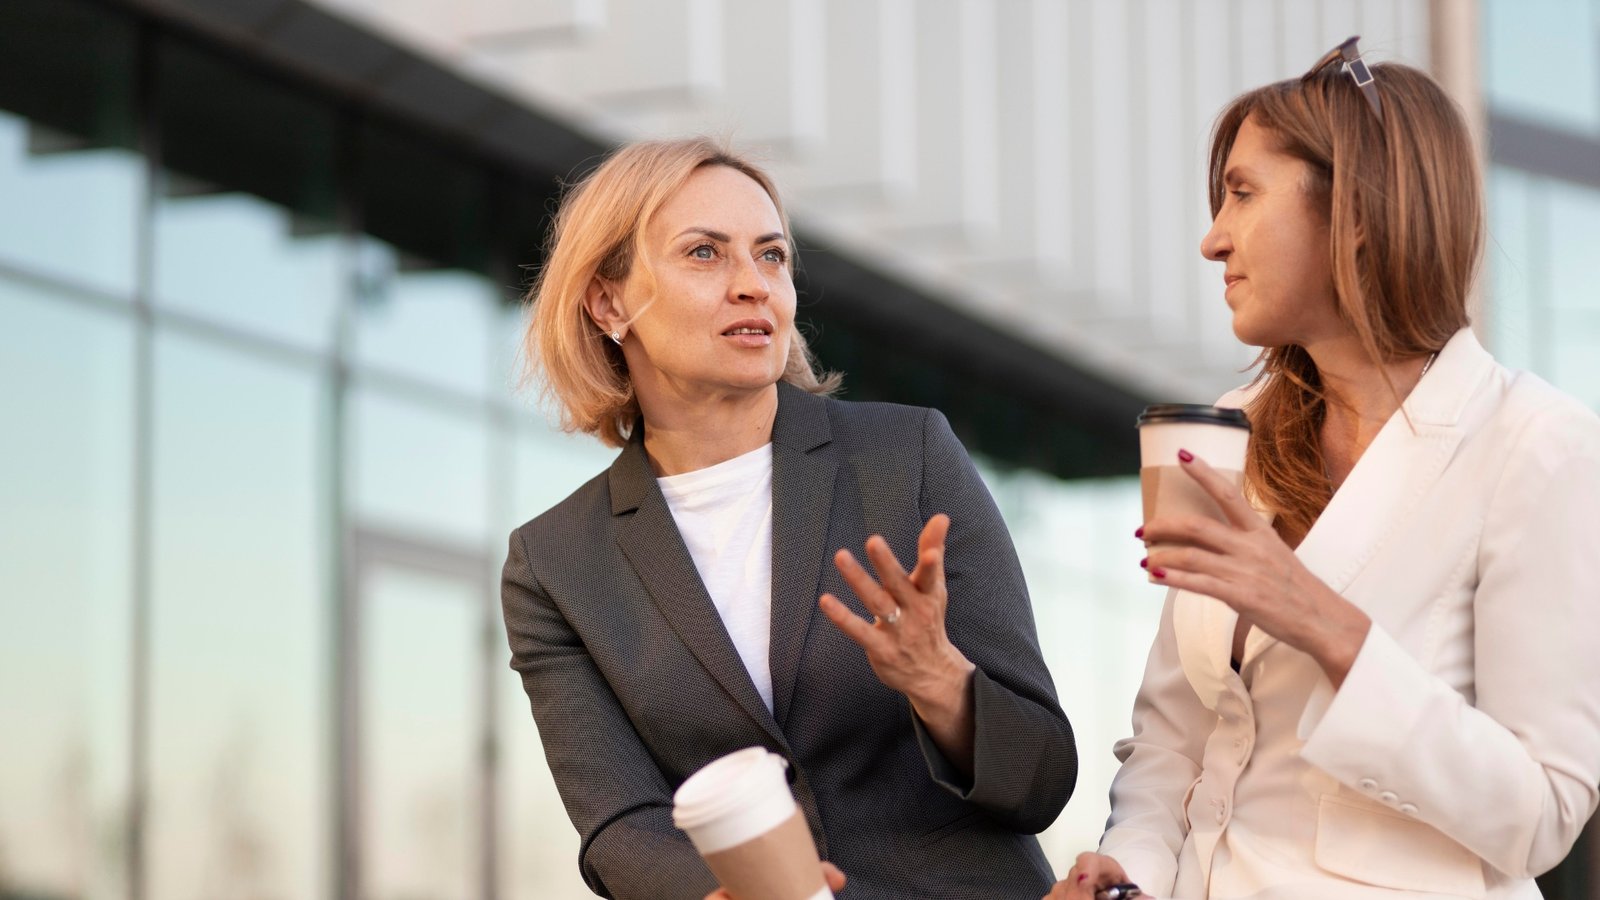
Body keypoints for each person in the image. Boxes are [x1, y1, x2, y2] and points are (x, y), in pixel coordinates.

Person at [1052, 38, 1600, 899]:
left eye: (1241, 194)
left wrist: (1326, 625)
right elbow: (1173, 737)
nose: (1211, 238)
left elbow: (1542, 816)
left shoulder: (1536, 445)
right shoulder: (1230, 434)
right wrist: (1131, 868)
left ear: (1355, 210)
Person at [501, 137, 1077, 900]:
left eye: (771, 256)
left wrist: (942, 683)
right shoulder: (553, 563)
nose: (753, 285)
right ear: (609, 302)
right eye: (705, 254)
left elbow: (1043, 778)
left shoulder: (910, 458)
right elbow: (620, 823)